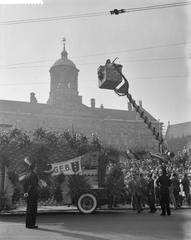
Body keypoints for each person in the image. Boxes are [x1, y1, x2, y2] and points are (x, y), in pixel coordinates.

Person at [23, 157, 39, 229]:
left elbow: (24, 184)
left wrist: (25, 192)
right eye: (36, 166)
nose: (37, 167)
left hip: (29, 194)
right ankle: (31, 225)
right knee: (32, 210)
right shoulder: (34, 175)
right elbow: (32, 186)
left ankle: (28, 224)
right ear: (34, 167)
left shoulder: (28, 174)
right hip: (33, 194)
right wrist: (28, 192)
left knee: (29, 209)